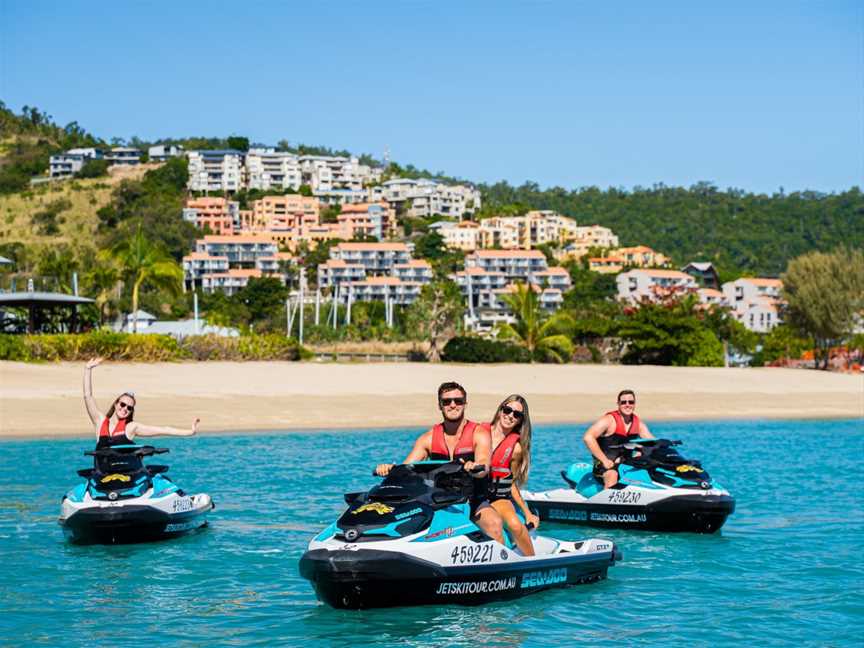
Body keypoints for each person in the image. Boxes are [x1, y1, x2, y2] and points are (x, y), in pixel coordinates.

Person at [375, 381, 504, 545]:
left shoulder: (479, 434)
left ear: (465, 404)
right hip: (437, 501)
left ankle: (498, 568)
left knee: (494, 524)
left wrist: (475, 467)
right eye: (447, 401)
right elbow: (406, 469)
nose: (452, 405)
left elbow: (484, 465)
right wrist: (389, 469)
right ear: (440, 406)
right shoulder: (427, 438)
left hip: (472, 500)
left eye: (458, 401)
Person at [83, 357, 199, 448]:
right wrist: (88, 369)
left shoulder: (131, 428)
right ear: (116, 404)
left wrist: (190, 432)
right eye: (122, 404)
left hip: (124, 474)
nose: (124, 409)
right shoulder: (99, 421)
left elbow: (164, 429)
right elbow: (88, 396)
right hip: (103, 473)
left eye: (129, 408)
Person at [487, 395, 539, 556]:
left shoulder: (516, 449)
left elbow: (510, 482)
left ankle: (533, 562)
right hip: (473, 495)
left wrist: (527, 512)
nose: (510, 416)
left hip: (497, 498)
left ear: (520, 421)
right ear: (500, 410)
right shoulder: (478, 433)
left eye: (516, 414)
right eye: (507, 410)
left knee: (515, 525)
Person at [583, 389, 653, 488]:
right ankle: (606, 501)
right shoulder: (609, 420)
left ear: (635, 404)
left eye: (631, 402)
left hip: (625, 466)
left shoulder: (638, 424)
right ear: (618, 404)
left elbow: (652, 442)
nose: (627, 405)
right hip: (604, 467)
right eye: (623, 402)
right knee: (612, 475)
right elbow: (588, 437)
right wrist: (604, 460)